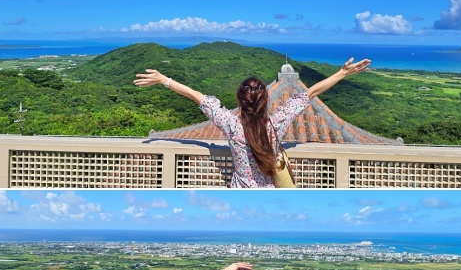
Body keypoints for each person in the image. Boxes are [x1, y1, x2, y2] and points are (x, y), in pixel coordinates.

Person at [134, 58, 371, 187]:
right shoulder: (276, 123)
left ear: (239, 99)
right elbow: (308, 94)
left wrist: (164, 79)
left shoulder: (231, 124)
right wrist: (341, 73)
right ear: (266, 99)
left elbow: (196, 96)